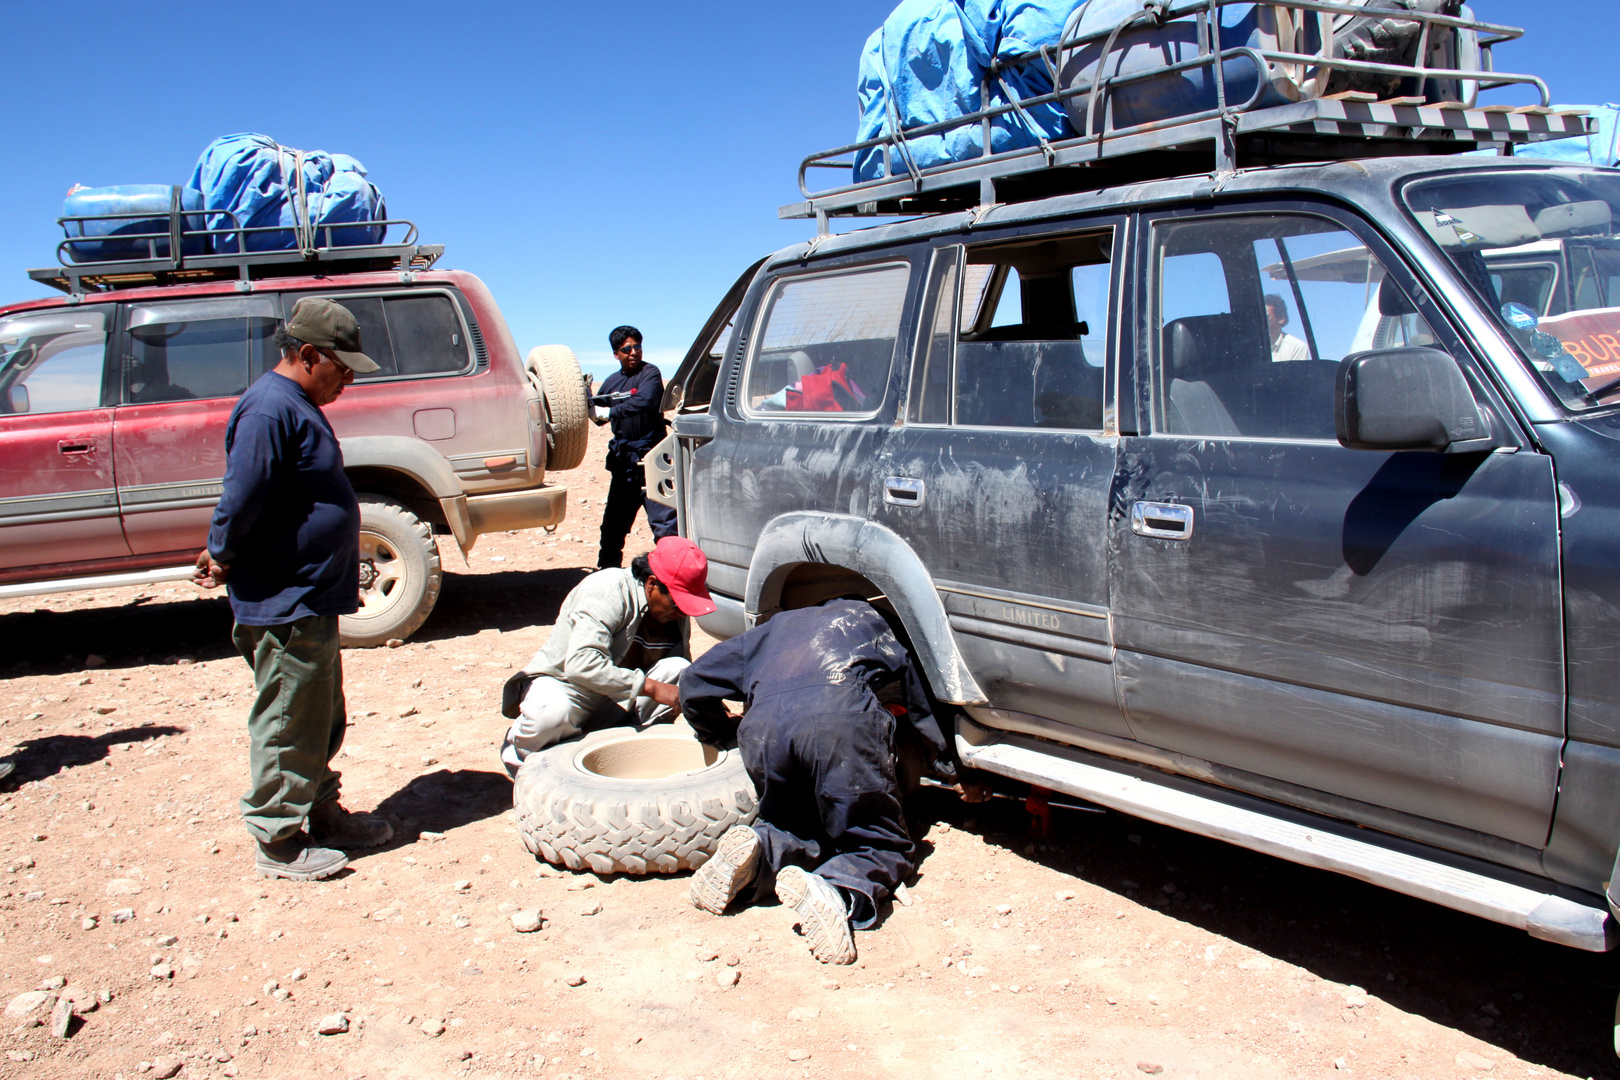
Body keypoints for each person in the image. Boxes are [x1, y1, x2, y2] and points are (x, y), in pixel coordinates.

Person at [193, 298, 393, 882]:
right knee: (287, 718)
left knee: (318, 715)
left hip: (311, 597)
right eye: (343, 366)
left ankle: (322, 814)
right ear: (308, 355)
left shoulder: (296, 403)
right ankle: (278, 839)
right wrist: (222, 550)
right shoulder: (268, 410)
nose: (349, 378)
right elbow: (243, 493)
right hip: (284, 600)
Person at [678, 599, 960, 964]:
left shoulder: (773, 630)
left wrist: (718, 731)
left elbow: (693, 681)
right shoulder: (880, 621)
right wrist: (948, 764)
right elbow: (920, 700)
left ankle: (761, 850)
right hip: (837, 723)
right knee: (877, 842)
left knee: (796, 824)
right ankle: (839, 889)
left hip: (764, 731)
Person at [499, 536, 715, 777]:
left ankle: (621, 757)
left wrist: (708, 706)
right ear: (652, 584)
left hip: (617, 699)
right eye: (677, 603)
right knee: (551, 712)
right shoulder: (606, 590)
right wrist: (651, 688)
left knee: (679, 670)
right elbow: (581, 665)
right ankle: (521, 757)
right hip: (571, 690)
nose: (682, 611)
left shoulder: (673, 611)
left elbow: (679, 677)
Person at [594, 325, 678, 569]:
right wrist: (588, 407)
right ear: (616, 354)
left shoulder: (650, 374)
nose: (633, 352)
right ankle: (606, 575)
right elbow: (595, 410)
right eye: (627, 349)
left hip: (653, 463)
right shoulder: (611, 382)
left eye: (637, 347)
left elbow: (645, 401)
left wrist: (609, 411)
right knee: (612, 527)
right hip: (624, 466)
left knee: (665, 526)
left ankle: (671, 580)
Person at [1265, 294, 1311, 361]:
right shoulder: (1250, 348)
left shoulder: (1297, 348)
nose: (1261, 321)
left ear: (1281, 319)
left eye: (1266, 317)